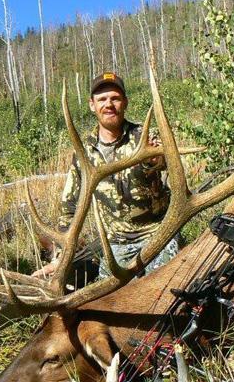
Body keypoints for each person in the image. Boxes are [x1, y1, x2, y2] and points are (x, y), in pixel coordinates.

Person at [33, 72, 179, 279]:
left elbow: (167, 163)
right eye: (102, 99)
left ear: (125, 103)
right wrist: (61, 256)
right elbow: (69, 207)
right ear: (92, 105)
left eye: (115, 98)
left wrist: (155, 161)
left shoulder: (144, 136)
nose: (109, 104)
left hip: (157, 234)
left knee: (167, 290)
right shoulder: (83, 154)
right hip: (116, 245)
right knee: (108, 302)